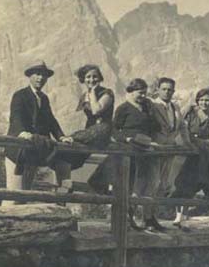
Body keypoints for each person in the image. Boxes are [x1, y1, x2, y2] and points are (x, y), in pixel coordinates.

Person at [3, 60, 73, 205]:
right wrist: (22, 132)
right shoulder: (20, 95)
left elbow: (51, 121)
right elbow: (16, 117)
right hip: (17, 151)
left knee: (26, 192)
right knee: (14, 193)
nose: (40, 78)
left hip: (34, 150)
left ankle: (62, 197)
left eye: (44, 75)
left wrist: (61, 136)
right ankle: (6, 216)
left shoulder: (44, 98)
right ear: (30, 76)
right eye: (37, 74)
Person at [113, 78, 164, 231]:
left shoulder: (147, 108)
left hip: (147, 148)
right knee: (133, 185)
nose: (143, 96)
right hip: (131, 150)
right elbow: (114, 130)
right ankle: (129, 218)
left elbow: (156, 127)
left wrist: (151, 110)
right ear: (131, 91)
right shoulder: (123, 108)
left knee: (150, 182)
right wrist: (126, 138)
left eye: (144, 93)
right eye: (140, 93)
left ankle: (147, 217)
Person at [171, 87, 209, 223]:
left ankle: (182, 216)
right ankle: (180, 214)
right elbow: (181, 128)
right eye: (201, 100)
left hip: (200, 155)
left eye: (207, 100)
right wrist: (194, 140)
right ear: (197, 101)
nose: (204, 103)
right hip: (187, 153)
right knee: (182, 182)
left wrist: (194, 139)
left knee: (187, 183)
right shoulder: (190, 113)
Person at [60, 65, 115, 192]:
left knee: (72, 140)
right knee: (67, 155)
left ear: (100, 78)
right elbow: (80, 116)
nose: (92, 80)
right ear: (83, 79)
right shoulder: (84, 96)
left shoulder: (107, 93)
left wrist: (92, 93)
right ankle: (64, 185)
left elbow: (96, 110)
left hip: (102, 130)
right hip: (89, 131)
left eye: (95, 76)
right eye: (88, 77)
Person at [148, 77, 188, 224]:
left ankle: (154, 218)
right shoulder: (152, 105)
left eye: (170, 90)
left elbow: (182, 126)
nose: (167, 92)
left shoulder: (175, 107)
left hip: (170, 150)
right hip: (155, 150)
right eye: (164, 89)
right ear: (158, 90)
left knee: (164, 184)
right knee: (152, 183)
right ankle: (146, 217)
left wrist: (187, 143)